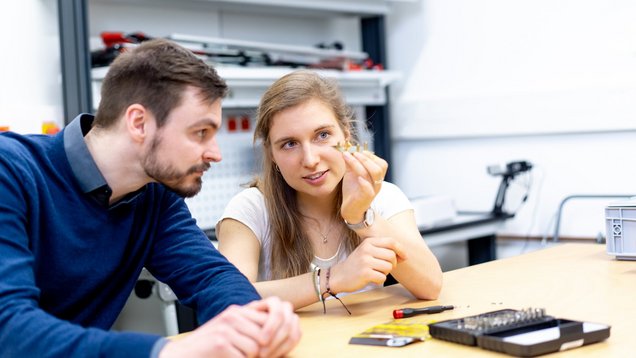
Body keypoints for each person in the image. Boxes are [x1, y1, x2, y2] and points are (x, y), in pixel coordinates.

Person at [0, 39, 300, 357]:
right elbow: (9, 327)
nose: (215, 153)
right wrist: (165, 353)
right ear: (139, 123)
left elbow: (210, 276)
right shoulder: (11, 172)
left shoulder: (154, 196)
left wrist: (253, 321)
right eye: (201, 133)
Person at [216, 70, 443, 311]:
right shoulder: (250, 208)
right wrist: (331, 278)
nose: (310, 159)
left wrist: (360, 217)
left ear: (345, 134)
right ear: (271, 154)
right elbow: (228, 299)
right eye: (289, 144)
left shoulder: (382, 196)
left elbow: (431, 285)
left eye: (322, 135)